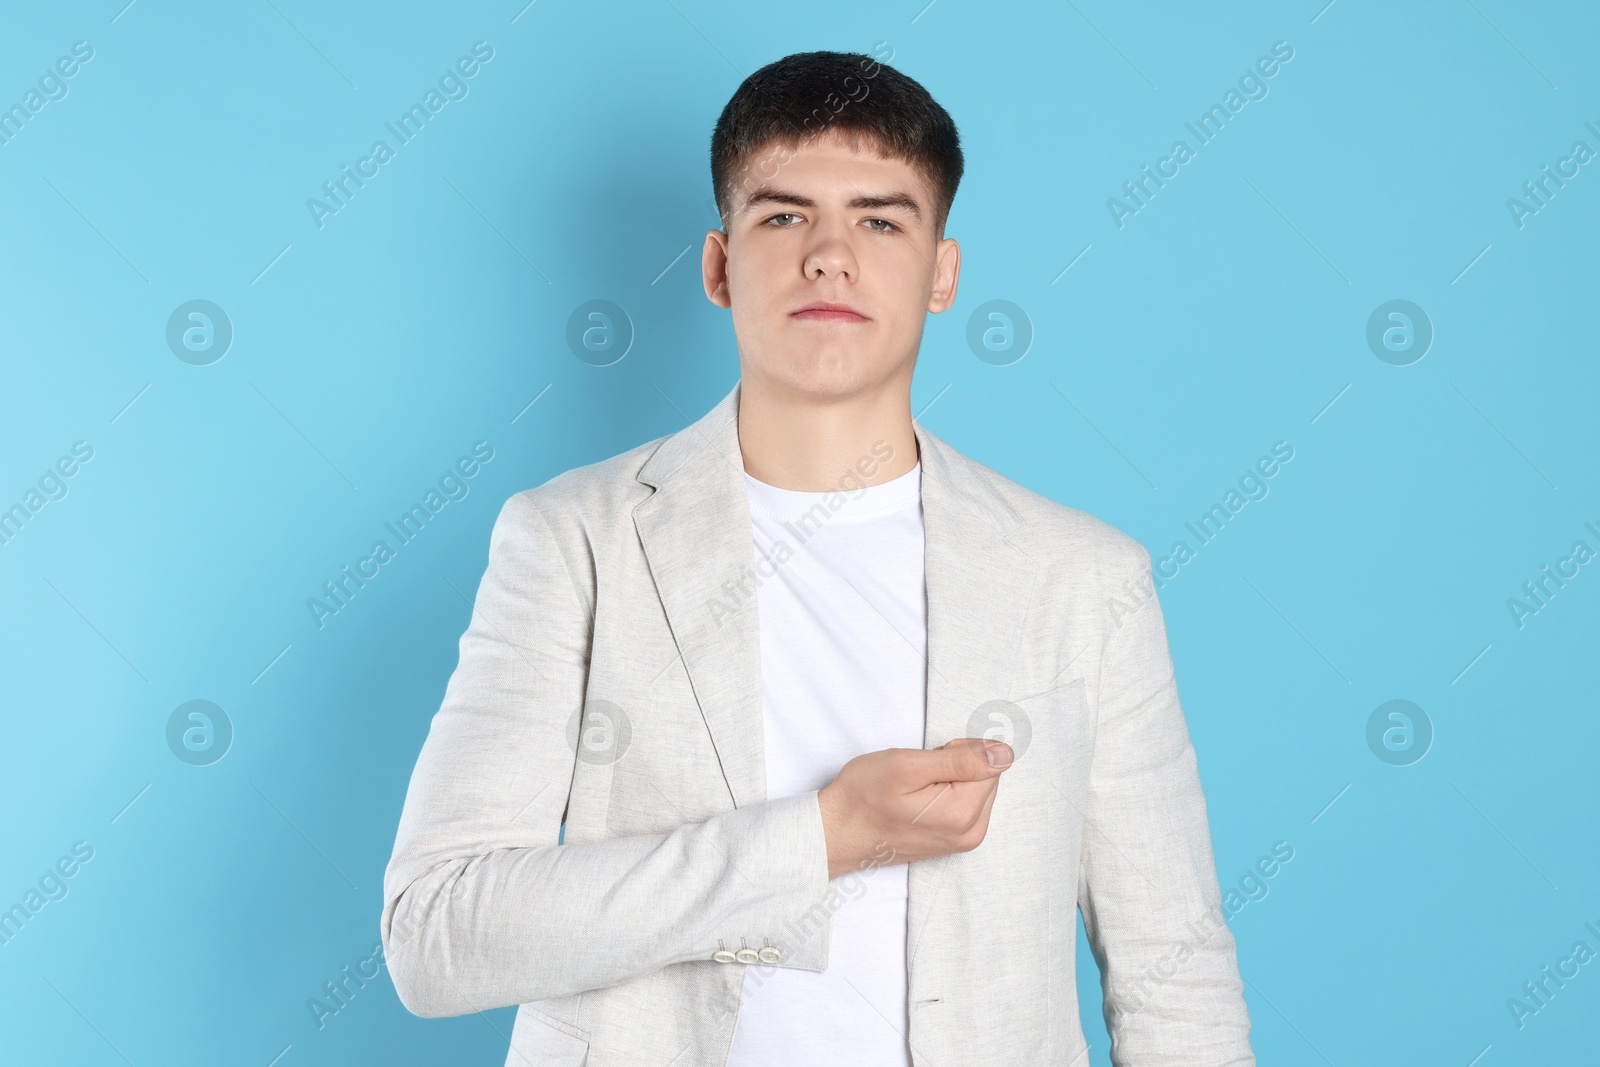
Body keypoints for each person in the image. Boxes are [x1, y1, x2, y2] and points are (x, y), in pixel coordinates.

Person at [381, 49, 1256, 1067]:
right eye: (784, 215)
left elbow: (1174, 982)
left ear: (942, 273)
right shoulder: (573, 538)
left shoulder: (1083, 578)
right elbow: (435, 933)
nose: (830, 255)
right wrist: (821, 837)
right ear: (717, 265)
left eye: (880, 220)